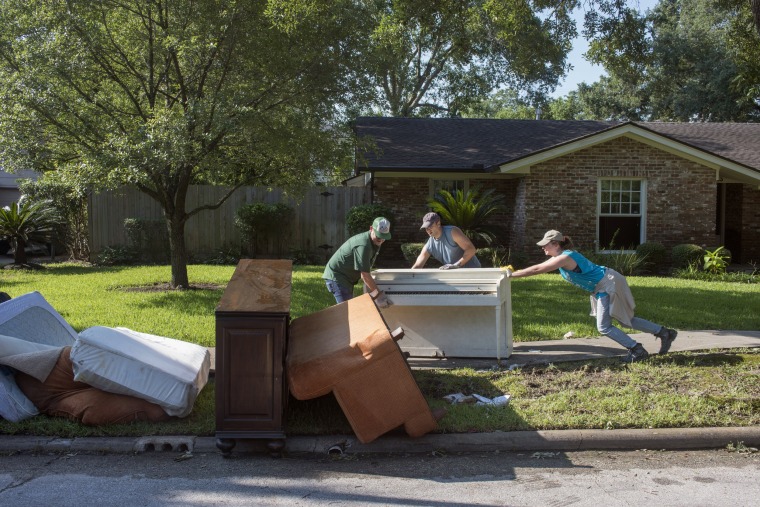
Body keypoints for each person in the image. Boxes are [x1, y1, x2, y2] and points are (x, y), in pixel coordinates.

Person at [506, 230, 678, 363]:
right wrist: (512, 272)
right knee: (626, 319)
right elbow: (538, 267)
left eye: (545, 244)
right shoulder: (562, 258)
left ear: (555, 244)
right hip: (603, 285)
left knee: (604, 326)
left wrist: (511, 275)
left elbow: (537, 269)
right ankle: (664, 333)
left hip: (608, 283)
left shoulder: (566, 257)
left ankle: (637, 350)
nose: (543, 247)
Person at [323, 216, 392, 307]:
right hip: (337, 277)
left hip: (346, 278)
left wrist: (374, 295)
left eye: (384, 237)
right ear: (371, 229)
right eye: (378, 236)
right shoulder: (364, 245)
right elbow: (365, 275)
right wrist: (379, 296)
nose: (381, 240)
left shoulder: (373, 242)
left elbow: (366, 273)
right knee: (347, 312)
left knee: (350, 311)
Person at [411, 212, 481, 269]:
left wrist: (456, 265)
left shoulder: (452, 232)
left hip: (472, 272)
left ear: (438, 223)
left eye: (430, 226)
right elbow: (418, 265)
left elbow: (471, 249)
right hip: (455, 276)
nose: (428, 230)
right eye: (426, 228)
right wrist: (407, 277)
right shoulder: (430, 243)